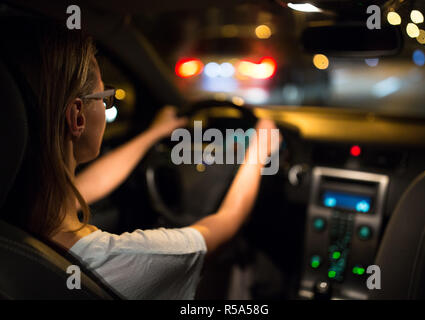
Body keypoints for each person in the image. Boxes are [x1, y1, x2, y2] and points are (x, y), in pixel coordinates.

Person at [1, 18, 280, 299]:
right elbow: (227, 221)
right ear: (77, 116)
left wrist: (154, 133)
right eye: (104, 96)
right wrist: (258, 151)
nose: (107, 103)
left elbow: (89, 185)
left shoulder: (16, 222)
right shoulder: (126, 260)